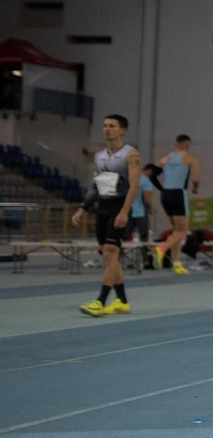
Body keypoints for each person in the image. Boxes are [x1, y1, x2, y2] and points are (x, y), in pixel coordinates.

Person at [71, 114, 141, 316]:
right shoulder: (99, 156)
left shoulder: (131, 154)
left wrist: (124, 212)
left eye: (112, 126)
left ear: (122, 130)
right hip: (102, 207)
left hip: (120, 207)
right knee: (109, 256)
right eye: (105, 126)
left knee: (110, 252)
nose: (107, 129)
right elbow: (95, 185)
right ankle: (122, 302)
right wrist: (83, 208)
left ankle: (100, 301)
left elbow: (134, 186)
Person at [155, 133, 200, 274]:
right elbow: (195, 178)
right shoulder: (191, 159)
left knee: (176, 231)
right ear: (187, 145)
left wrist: (162, 187)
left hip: (165, 195)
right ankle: (162, 248)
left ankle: (176, 264)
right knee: (182, 232)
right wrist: (195, 188)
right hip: (179, 194)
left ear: (176, 144)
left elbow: (153, 174)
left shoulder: (165, 158)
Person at [125, 163, 163, 269]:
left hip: (127, 211)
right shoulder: (146, 181)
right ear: (149, 171)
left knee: (123, 236)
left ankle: (116, 258)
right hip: (140, 212)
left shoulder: (130, 178)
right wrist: (150, 208)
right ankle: (145, 261)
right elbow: (147, 199)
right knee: (143, 238)